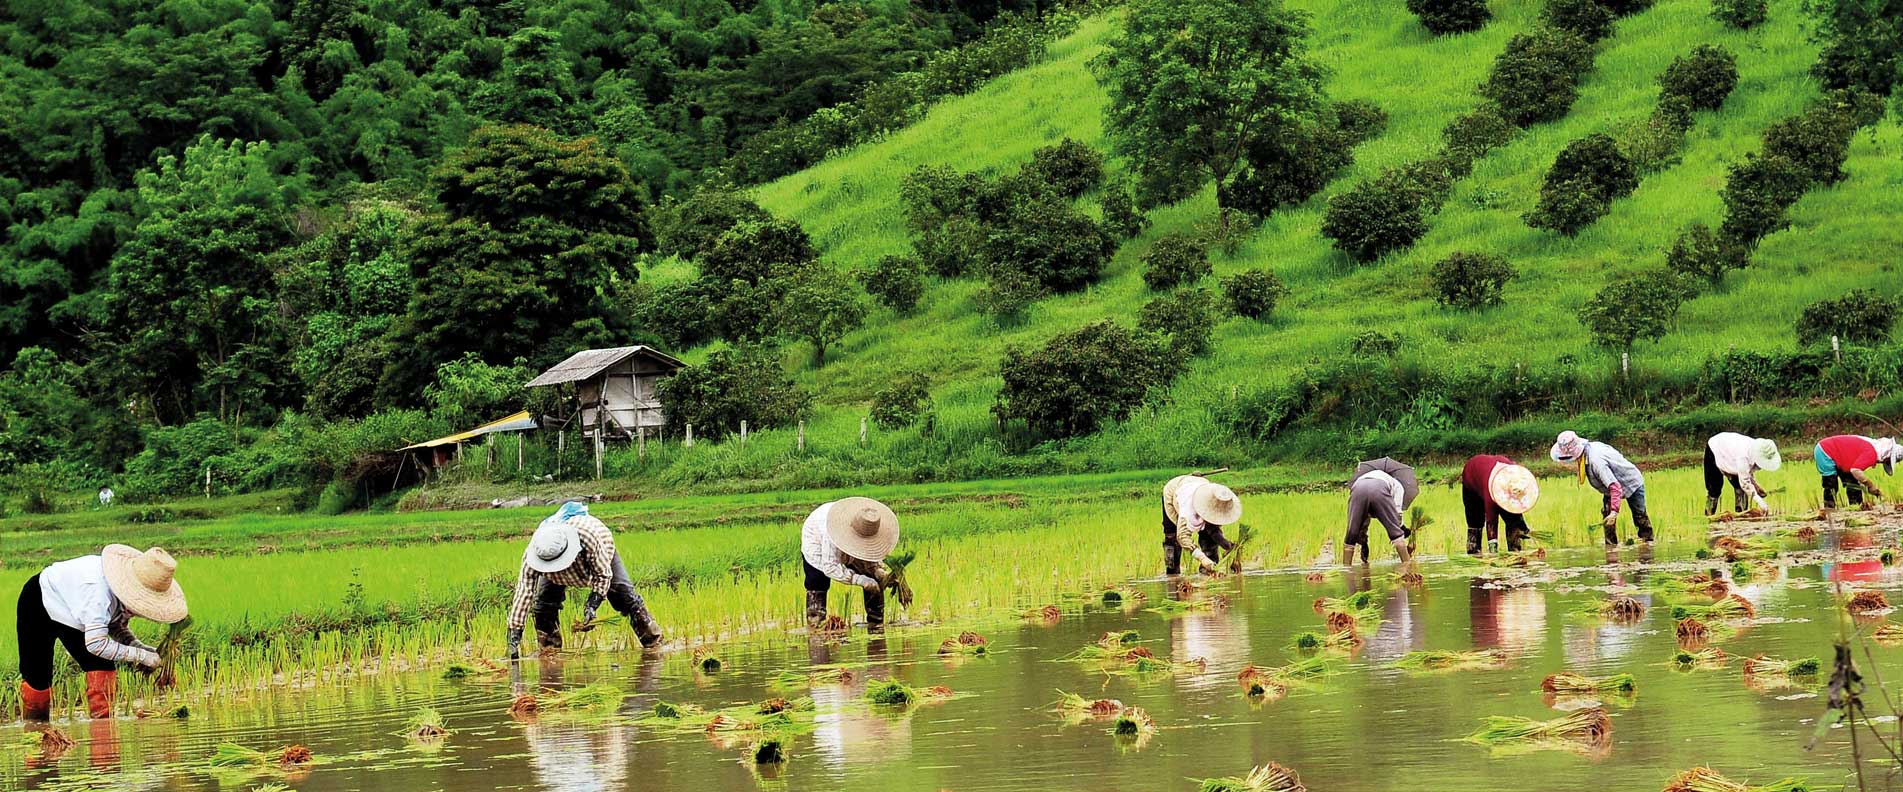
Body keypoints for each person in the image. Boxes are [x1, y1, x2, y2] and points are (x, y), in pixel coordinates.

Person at [15, 545, 188, 720]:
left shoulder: (118, 591)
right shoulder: (99, 594)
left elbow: (115, 626)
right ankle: (36, 728)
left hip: (75, 606)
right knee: (37, 678)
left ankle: (103, 728)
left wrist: (138, 646)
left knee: (102, 668)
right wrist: (141, 656)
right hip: (38, 601)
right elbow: (96, 644)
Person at [505, 501, 663, 660]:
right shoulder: (535, 553)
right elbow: (523, 593)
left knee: (625, 596)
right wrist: (514, 635)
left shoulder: (588, 538)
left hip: (601, 554)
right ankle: (550, 654)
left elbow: (603, 576)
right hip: (553, 572)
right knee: (543, 606)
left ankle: (654, 643)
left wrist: (592, 606)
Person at [802, 497, 902, 632]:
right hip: (816, 539)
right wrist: (859, 579)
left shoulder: (868, 526)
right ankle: (815, 625)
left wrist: (878, 571)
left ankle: (876, 624)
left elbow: (871, 554)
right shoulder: (831, 531)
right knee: (817, 582)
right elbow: (830, 567)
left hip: (849, 533)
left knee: (874, 580)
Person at [1551, 431, 1652, 546]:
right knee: (1608, 520)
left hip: (1631, 481)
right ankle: (1611, 549)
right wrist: (1611, 513)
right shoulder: (1587, 453)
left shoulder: (1596, 462)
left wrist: (1614, 512)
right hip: (1610, 486)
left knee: (1640, 517)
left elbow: (1615, 487)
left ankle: (1648, 547)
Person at [1161, 474, 1242, 575]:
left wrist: (1228, 547)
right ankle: (1172, 575)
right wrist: (1202, 558)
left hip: (1198, 485)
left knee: (1210, 543)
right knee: (1171, 542)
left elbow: (1213, 530)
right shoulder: (1188, 510)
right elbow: (1182, 537)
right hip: (1174, 492)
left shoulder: (1217, 500)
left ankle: (1207, 573)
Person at [1344, 457, 1418, 565]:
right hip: (1379, 490)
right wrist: (1402, 528)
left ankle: (1346, 570)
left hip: (1357, 488)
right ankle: (1407, 567)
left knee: (1350, 537)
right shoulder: (1397, 485)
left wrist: (1363, 541)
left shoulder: (1363, 477)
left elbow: (1363, 521)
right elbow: (1397, 514)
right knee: (1396, 535)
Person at [1460, 455, 1540, 555]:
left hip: (1494, 473)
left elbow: (1517, 514)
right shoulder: (1491, 495)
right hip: (1472, 480)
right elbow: (1491, 523)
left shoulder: (1516, 477)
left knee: (1513, 520)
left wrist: (1524, 529)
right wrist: (1493, 553)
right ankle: (1474, 553)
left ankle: (1516, 554)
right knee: (1475, 523)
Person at [1813, 434, 1899, 510]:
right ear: (1887, 456)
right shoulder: (1872, 452)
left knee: (1853, 484)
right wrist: (1870, 486)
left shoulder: (1873, 446)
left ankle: (1856, 507)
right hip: (1826, 450)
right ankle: (1829, 510)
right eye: (1887, 461)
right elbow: (1856, 470)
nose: (1884, 463)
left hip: (1843, 458)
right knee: (1831, 484)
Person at [1705, 432, 1781, 515]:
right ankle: (1709, 516)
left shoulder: (1757, 450)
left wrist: (1756, 487)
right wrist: (1760, 502)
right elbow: (1745, 483)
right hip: (1715, 448)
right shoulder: (1743, 457)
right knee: (1714, 489)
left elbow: (1747, 472)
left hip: (1732, 454)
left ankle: (1741, 516)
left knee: (1740, 489)